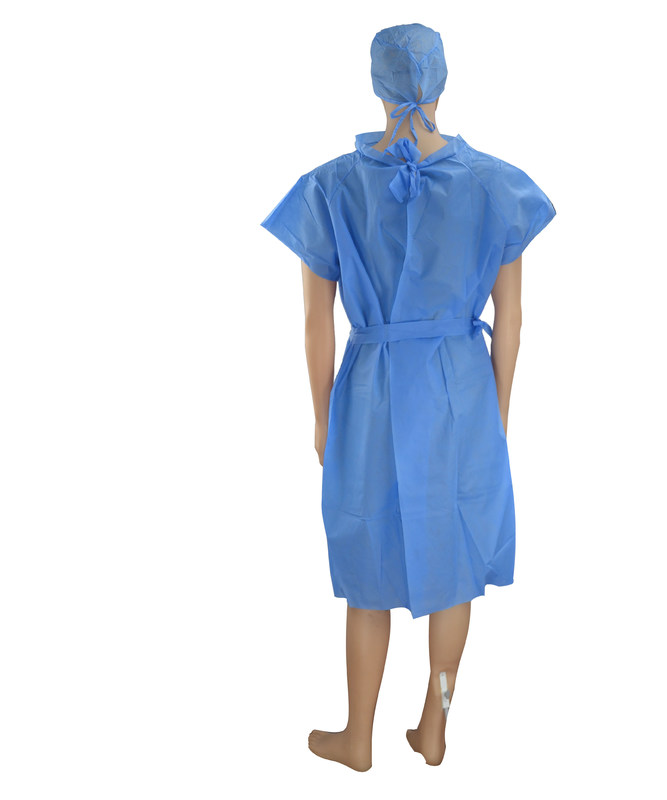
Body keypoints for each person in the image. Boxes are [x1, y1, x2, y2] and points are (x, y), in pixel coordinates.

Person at [260, 23, 556, 771]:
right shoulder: (494, 185)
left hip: (372, 393)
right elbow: (513, 322)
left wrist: (322, 419)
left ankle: (359, 734)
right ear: (442, 82)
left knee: (368, 561)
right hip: (463, 394)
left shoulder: (330, 186)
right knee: (452, 560)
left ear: (377, 84)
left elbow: (314, 323)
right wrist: (497, 415)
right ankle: (434, 723)